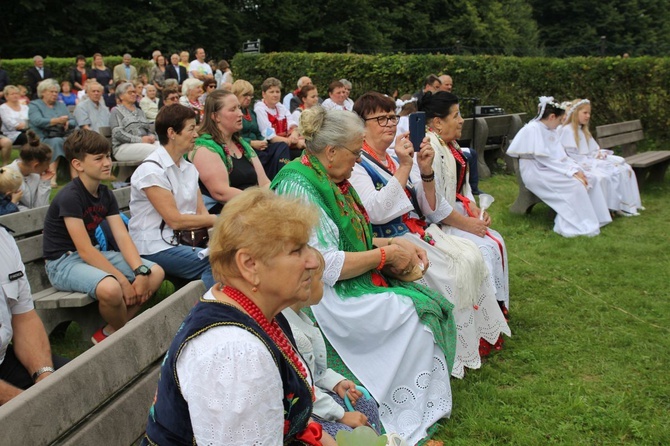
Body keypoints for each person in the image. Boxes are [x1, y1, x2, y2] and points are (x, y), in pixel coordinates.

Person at [272, 106, 457, 445]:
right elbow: (322, 264)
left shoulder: (329, 177)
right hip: (314, 296)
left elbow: (349, 238)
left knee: (424, 297)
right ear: (331, 152)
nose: (358, 161)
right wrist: (385, 254)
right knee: (409, 313)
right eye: (355, 153)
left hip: (334, 282)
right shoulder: (298, 187)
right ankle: (396, 406)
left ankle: (417, 403)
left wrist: (393, 241)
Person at [142, 188, 331, 445]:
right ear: (250, 265)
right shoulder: (237, 355)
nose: (313, 261)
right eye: (297, 250)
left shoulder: (242, 305)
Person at [351, 92, 510, 374]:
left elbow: (427, 207)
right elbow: (375, 212)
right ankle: (450, 350)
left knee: (470, 257)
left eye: (392, 117)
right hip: (386, 240)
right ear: (362, 125)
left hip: (414, 231)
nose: (389, 124)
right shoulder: (358, 164)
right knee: (449, 272)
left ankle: (475, 341)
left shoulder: (391, 157)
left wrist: (425, 172)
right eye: (381, 118)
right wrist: (405, 166)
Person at [43, 129, 165, 344]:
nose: (107, 162)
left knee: (155, 273)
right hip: (63, 263)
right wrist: (121, 279)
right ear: (78, 164)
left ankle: (109, 334)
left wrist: (140, 271)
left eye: (108, 156)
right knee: (111, 288)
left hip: (92, 256)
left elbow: (122, 236)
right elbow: (84, 249)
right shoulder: (70, 196)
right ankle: (125, 337)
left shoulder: (105, 193)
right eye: (98, 158)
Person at [418, 91, 511, 312]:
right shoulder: (429, 147)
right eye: (456, 115)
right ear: (438, 122)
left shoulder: (451, 145)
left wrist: (474, 208)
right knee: (483, 249)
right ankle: (481, 313)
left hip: (453, 214)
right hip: (436, 224)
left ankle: (495, 308)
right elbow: (433, 203)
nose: (461, 120)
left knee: (494, 240)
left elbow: (462, 188)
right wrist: (467, 223)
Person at [282, 248, 383, 438]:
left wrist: (336, 383)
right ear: (304, 287)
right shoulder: (291, 334)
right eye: (320, 280)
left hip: (314, 399)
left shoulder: (301, 319)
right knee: (344, 433)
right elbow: (301, 389)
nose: (323, 284)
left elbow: (313, 373)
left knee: (365, 404)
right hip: (301, 410)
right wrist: (341, 415)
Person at [129, 104, 216, 288]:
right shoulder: (151, 170)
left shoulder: (189, 168)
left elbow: (201, 211)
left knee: (233, 253)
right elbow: (174, 221)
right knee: (214, 264)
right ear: (172, 133)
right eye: (191, 129)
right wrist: (220, 219)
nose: (196, 135)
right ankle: (204, 314)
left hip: (181, 241)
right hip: (153, 246)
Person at [507, 96, 612, 237]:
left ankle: (596, 218)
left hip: (549, 168)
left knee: (589, 177)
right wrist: (571, 172)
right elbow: (545, 159)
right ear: (551, 117)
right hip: (536, 172)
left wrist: (577, 170)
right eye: (559, 120)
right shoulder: (532, 130)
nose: (560, 124)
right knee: (574, 185)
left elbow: (561, 156)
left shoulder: (551, 130)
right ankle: (576, 223)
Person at [0, 224, 68, 405]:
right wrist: (27, 406)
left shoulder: (3, 239)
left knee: (78, 381)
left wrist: (44, 375)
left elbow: (24, 319)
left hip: (3, 359)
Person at [190, 90, 270, 214]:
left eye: (239, 108)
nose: (240, 114)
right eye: (233, 109)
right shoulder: (204, 147)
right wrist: (259, 202)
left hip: (253, 208)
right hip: (226, 215)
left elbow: (264, 182)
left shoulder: (241, 144)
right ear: (215, 116)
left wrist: (274, 201)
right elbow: (221, 193)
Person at [559, 98, 642, 216]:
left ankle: (625, 205)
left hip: (589, 160)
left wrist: (598, 155)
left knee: (624, 168)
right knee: (605, 175)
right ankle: (609, 208)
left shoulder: (583, 130)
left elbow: (593, 149)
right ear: (575, 112)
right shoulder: (567, 131)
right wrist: (591, 161)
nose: (588, 116)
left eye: (589, 113)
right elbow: (571, 155)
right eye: (585, 113)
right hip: (580, 164)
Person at [233, 79, 291, 178]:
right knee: (268, 156)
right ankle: (279, 179)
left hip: (260, 146)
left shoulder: (251, 112)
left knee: (281, 146)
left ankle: (284, 177)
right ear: (236, 95)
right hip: (244, 147)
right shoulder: (236, 113)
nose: (248, 98)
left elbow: (260, 133)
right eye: (245, 95)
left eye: (250, 95)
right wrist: (251, 143)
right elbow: (233, 136)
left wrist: (262, 141)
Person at [28, 78, 77, 186]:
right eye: (51, 92)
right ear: (43, 92)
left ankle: (75, 177)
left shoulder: (61, 105)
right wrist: (56, 121)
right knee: (56, 142)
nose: (55, 94)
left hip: (61, 135)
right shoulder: (34, 105)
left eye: (56, 92)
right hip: (41, 137)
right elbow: (37, 121)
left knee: (73, 142)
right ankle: (52, 176)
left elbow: (73, 120)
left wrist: (69, 123)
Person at [109, 82, 159, 163]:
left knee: (166, 148)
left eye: (134, 92)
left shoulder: (140, 111)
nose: (133, 94)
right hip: (122, 148)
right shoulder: (116, 111)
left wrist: (151, 136)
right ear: (121, 96)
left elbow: (148, 130)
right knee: (156, 151)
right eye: (130, 92)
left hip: (143, 144)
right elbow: (118, 133)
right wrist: (140, 140)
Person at [254, 77, 305, 152]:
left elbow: (292, 124)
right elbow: (270, 136)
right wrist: (293, 142)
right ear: (263, 94)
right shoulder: (260, 109)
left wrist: (294, 133)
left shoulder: (281, 107)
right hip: (272, 148)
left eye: (277, 92)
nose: (275, 95)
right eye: (271, 92)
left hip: (287, 144)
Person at [5, 130, 53, 210]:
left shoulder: (37, 175)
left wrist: (45, 182)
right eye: (48, 164)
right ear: (36, 165)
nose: (48, 167)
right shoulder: (7, 177)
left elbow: (41, 208)